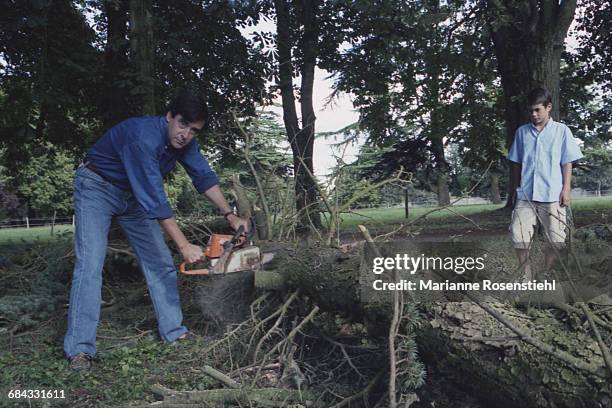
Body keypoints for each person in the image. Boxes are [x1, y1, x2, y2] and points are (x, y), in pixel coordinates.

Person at [64, 90, 248, 370]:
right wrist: (184, 245)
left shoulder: (186, 143)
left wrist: (230, 216)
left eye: (194, 130)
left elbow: (203, 176)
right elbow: (154, 198)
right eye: (182, 123)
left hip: (132, 196)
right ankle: (79, 350)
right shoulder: (143, 138)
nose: (185, 134)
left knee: (161, 263)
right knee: (90, 265)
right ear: (169, 117)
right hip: (96, 187)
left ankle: (174, 333)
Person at [507, 87, 583, 282]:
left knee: (556, 237)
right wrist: (515, 189)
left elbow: (567, 162)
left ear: (548, 107)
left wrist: (566, 189)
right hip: (525, 194)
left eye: (538, 110)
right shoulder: (522, 133)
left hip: (553, 193)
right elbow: (516, 162)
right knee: (519, 234)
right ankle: (525, 273)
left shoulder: (561, 131)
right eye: (531, 111)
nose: (534, 114)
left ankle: (547, 272)